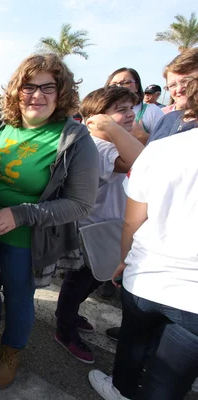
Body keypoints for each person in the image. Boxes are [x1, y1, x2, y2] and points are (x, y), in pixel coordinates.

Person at [0, 53, 99, 389]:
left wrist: (20, 214)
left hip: (26, 242)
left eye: (48, 87)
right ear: (16, 90)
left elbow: (80, 204)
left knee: (18, 298)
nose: (37, 95)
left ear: (61, 93)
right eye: (29, 86)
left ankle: (12, 350)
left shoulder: (74, 138)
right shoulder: (4, 126)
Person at [88, 77, 198, 400]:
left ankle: (120, 390)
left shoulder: (160, 150)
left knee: (134, 347)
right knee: (166, 383)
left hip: (145, 278)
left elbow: (131, 222)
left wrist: (124, 260)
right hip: (191, 297)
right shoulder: (142, 148)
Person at [54, 86, 144, 364]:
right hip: (91, 229)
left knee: (91, 278)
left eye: (131, 108)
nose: (130, 115)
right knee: (80, 280)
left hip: (103, 225)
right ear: (96, 119)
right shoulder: (102, 147)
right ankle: (64, 329)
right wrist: (114, 130)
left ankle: (69, 314)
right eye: (121, 110)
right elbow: (143, 163)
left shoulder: (110, 143)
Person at [105, 68, 164, 141]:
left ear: (137, 87)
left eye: (126, 82)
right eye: (114, 84)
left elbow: (165, 144)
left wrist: (143, 136)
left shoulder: (152, 111)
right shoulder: (101, 110)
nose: (119, 87)